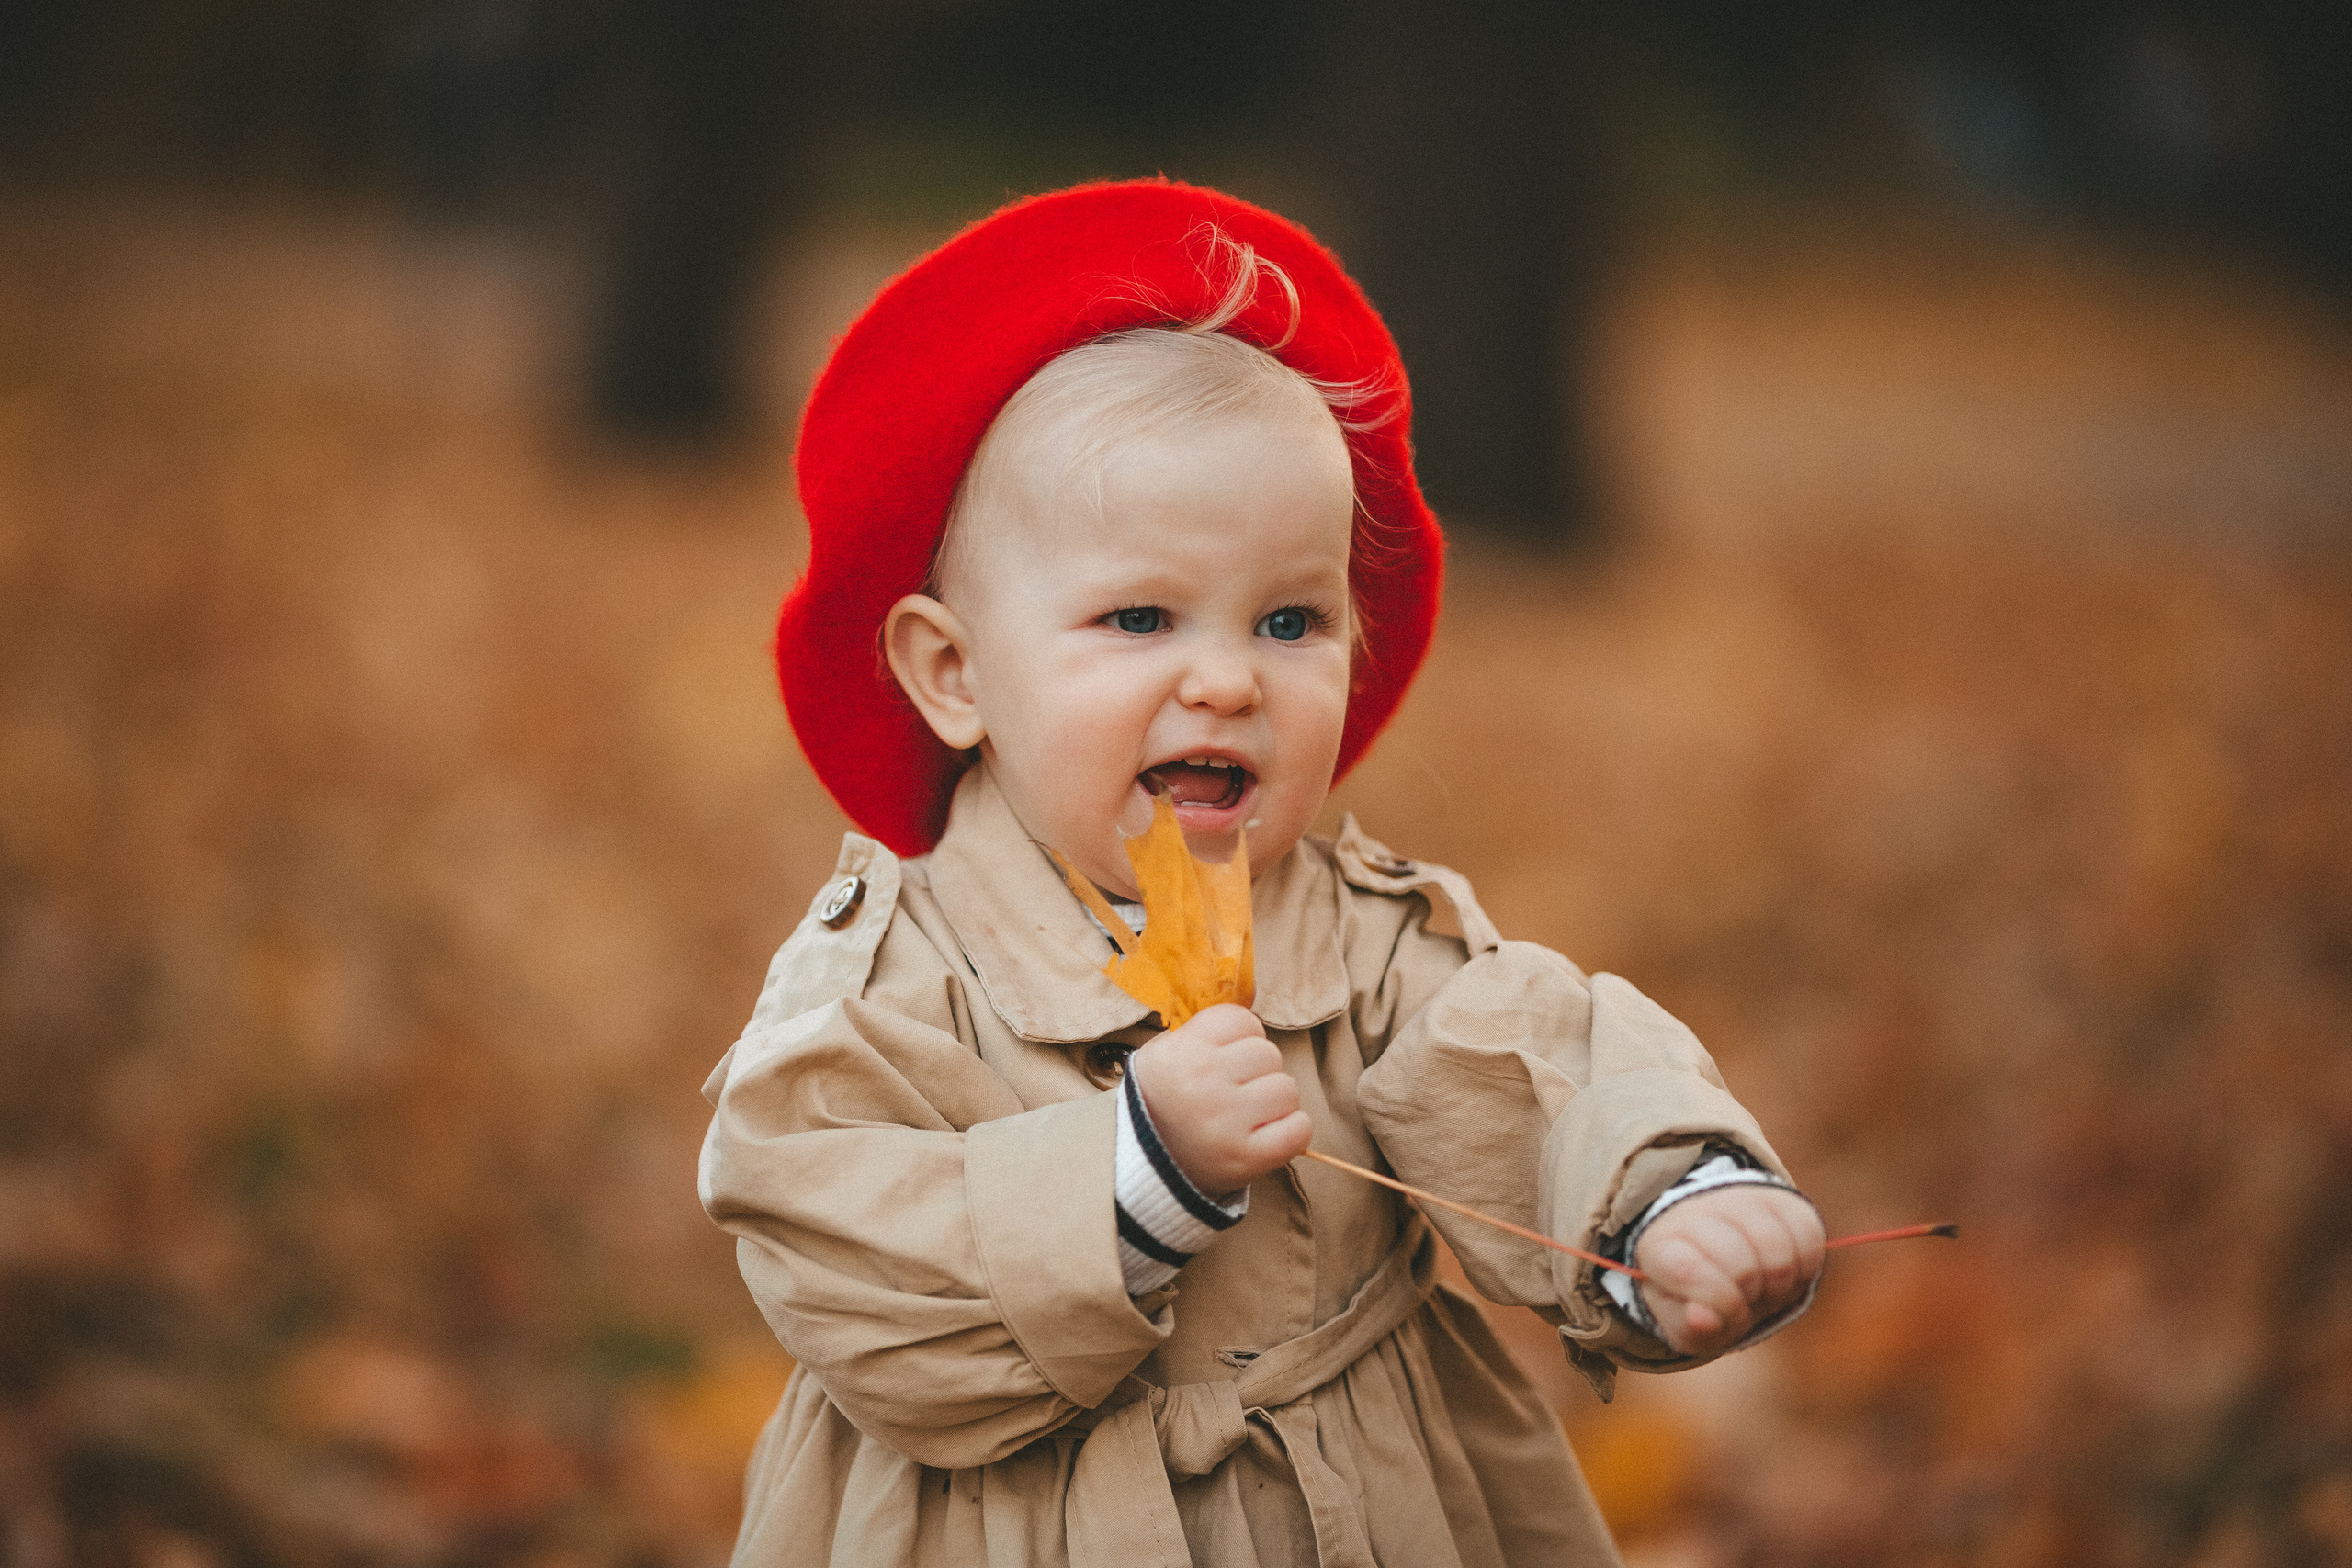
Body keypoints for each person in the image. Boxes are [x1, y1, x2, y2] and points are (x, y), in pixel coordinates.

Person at [698, 180, 1825, 1568]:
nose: (1225, 677)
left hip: (1362, 1506)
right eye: (1139, 617)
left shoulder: (1366, 937)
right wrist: (1132, 1172)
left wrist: (1667, 1197)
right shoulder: (891, 981)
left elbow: (1534, 1064)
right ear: (956, 672)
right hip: (1005, 1527)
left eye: (1290, 619)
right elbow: (838, 1246)